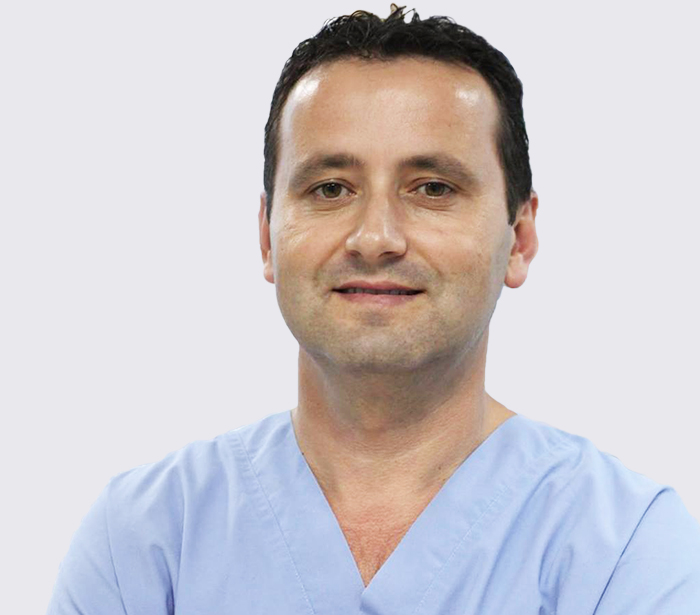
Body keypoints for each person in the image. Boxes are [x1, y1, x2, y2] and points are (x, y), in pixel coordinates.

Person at [47, 6, 700, 614]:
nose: (375, 237)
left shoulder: (626, 549)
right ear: (267, 237)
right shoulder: (143, 543)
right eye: (331, 188)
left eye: (433, 187)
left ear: (519, 239)